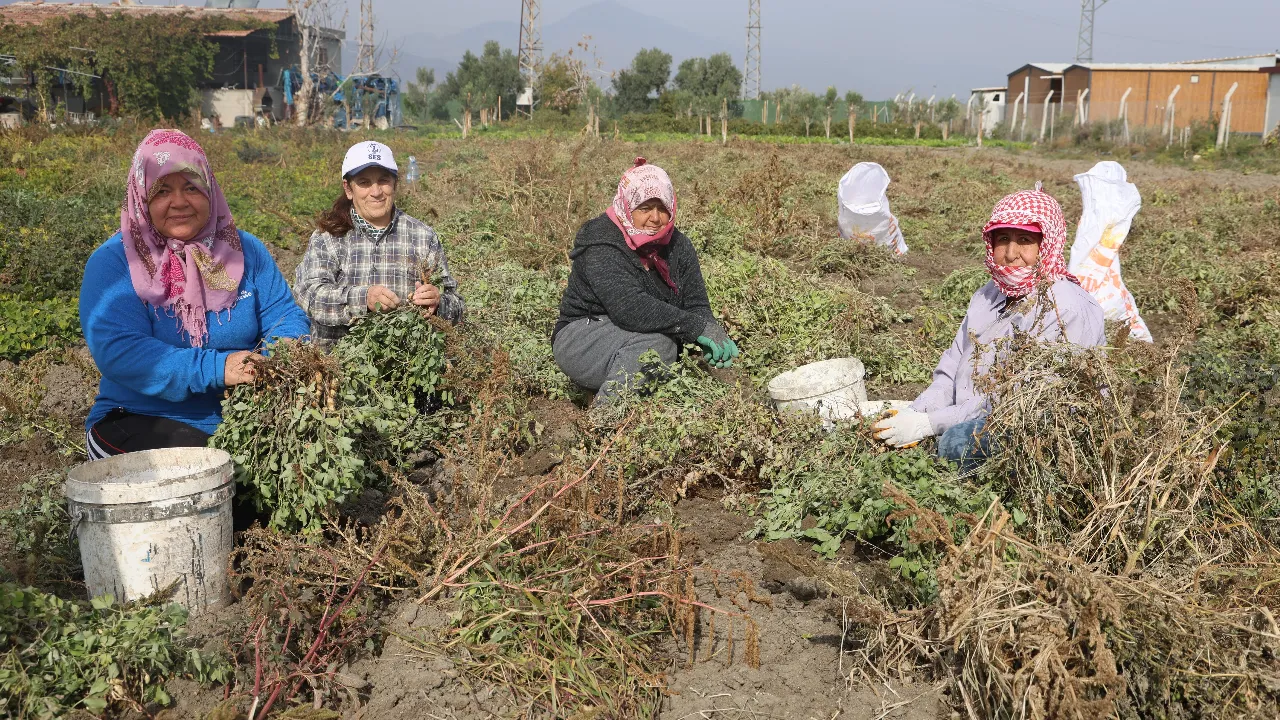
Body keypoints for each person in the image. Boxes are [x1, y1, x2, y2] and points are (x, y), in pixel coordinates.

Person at [80, 129, 311, 460]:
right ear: (142, 196)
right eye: (162, 191)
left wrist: (283, 357)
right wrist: (220, 368)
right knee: (210, 473)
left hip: (240, 416)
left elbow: (285, 316)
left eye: (191, 186)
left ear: (210, 189)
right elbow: (120, 351)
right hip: (141, 417)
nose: (180, 202)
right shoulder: (117, 262)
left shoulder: (241, 250)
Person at [865, 183, 1105, 469]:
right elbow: (950, 369)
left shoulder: (1064, 308)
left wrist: (930, 423)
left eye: (1025, 241)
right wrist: (917, 411)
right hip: (977, 411)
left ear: (1047, 245)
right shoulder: (987, 295)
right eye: (1003, 239)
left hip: (1038, 426)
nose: (1011, 253)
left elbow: (1019, 399)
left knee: (955, 443)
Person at [553, 157, 739, 405]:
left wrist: (710, 329)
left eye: (662, 208)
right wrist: (694, 328)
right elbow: (629, 307)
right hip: (582, 336)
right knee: (657, 347)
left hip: (634, 333)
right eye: (644, 207)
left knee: (668, 352)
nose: (655, 217)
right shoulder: (601, 241)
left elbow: (695, 303)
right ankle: (604, 420)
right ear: (627, 206)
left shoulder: (678, 245)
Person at [294, 140, 464, 347]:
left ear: (395, 184)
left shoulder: (422, 237)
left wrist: (438, 303)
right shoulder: (328, 237)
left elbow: (456, 305)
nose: (376, 192)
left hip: (409, 368)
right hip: (338, 365)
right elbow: (309, 295)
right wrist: (363, 298)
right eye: (364, 183)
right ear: (349, 189)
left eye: (383, 181)